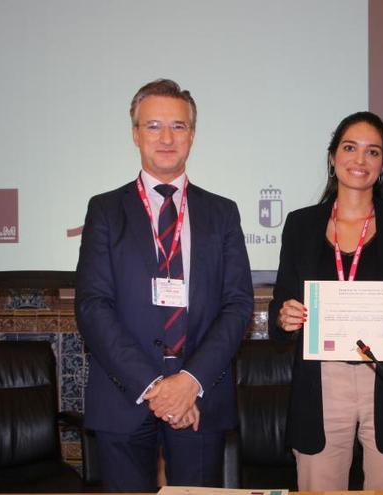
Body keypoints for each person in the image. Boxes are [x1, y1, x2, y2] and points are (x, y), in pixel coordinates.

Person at [75, 78, 253, 491]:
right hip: (124, 396)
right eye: (153, 126)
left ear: (192, 134)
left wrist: (189, 382)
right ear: (135, 133)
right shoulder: (105, 210)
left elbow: (238, 305)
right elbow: (92, 306)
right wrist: (155, 388)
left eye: (179, 126)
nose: (167, 138)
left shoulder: (222, 213)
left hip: (201, 395)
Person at [268, 111, 383, 491]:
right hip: (323, 378)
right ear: (332, 156)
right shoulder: (300, 224)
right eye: (350, 148)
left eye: (372, 152)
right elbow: (281, 305)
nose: (360, 160)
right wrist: (286, 317)